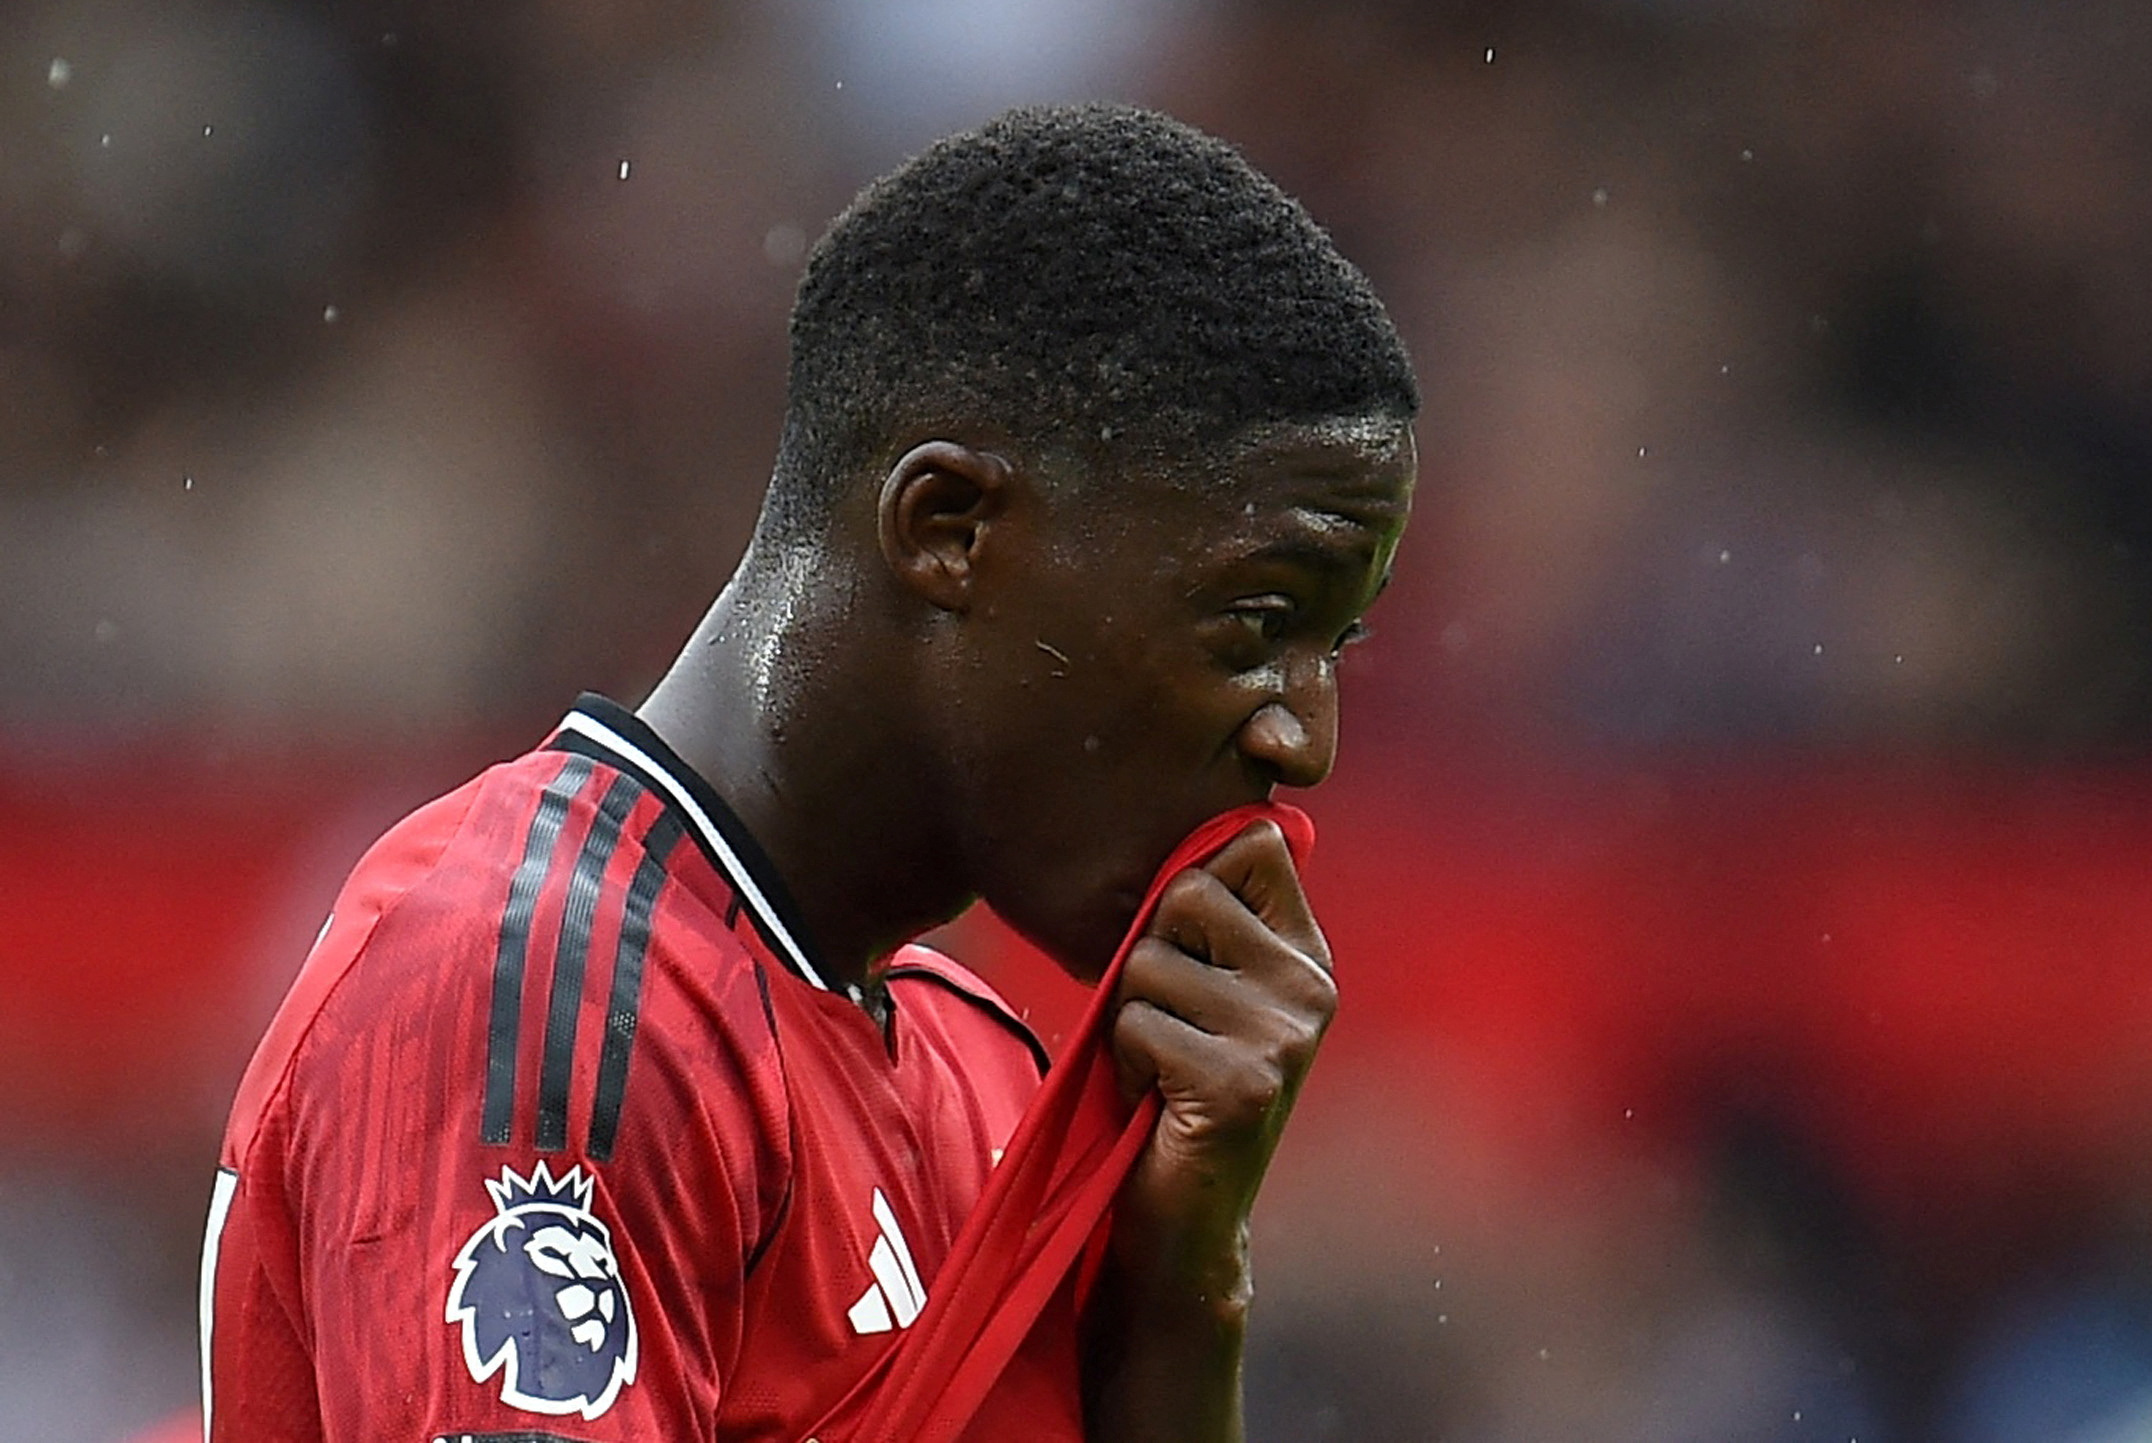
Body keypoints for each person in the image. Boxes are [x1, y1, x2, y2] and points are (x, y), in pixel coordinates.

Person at [199, 102, 1418, 1441]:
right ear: (948, 529)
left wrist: (1178, 1300)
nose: (1304, 737)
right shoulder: (540, 991)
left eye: (1334, 646)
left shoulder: (978, 1073)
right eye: (1258, 626)